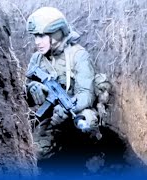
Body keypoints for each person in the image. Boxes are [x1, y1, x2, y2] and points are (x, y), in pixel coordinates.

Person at [25, 7, 111, 159]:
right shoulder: (36, 59)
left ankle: (93, 155)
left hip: (75, 112)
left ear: (56, 33)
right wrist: (32, 89)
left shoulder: (78, 55)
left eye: (41, 36)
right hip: (50, 117)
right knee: (34, 152)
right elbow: (22, 97)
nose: (37, 42)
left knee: (87, 123)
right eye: (35, 36)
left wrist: (68, 108)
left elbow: (86, 95)